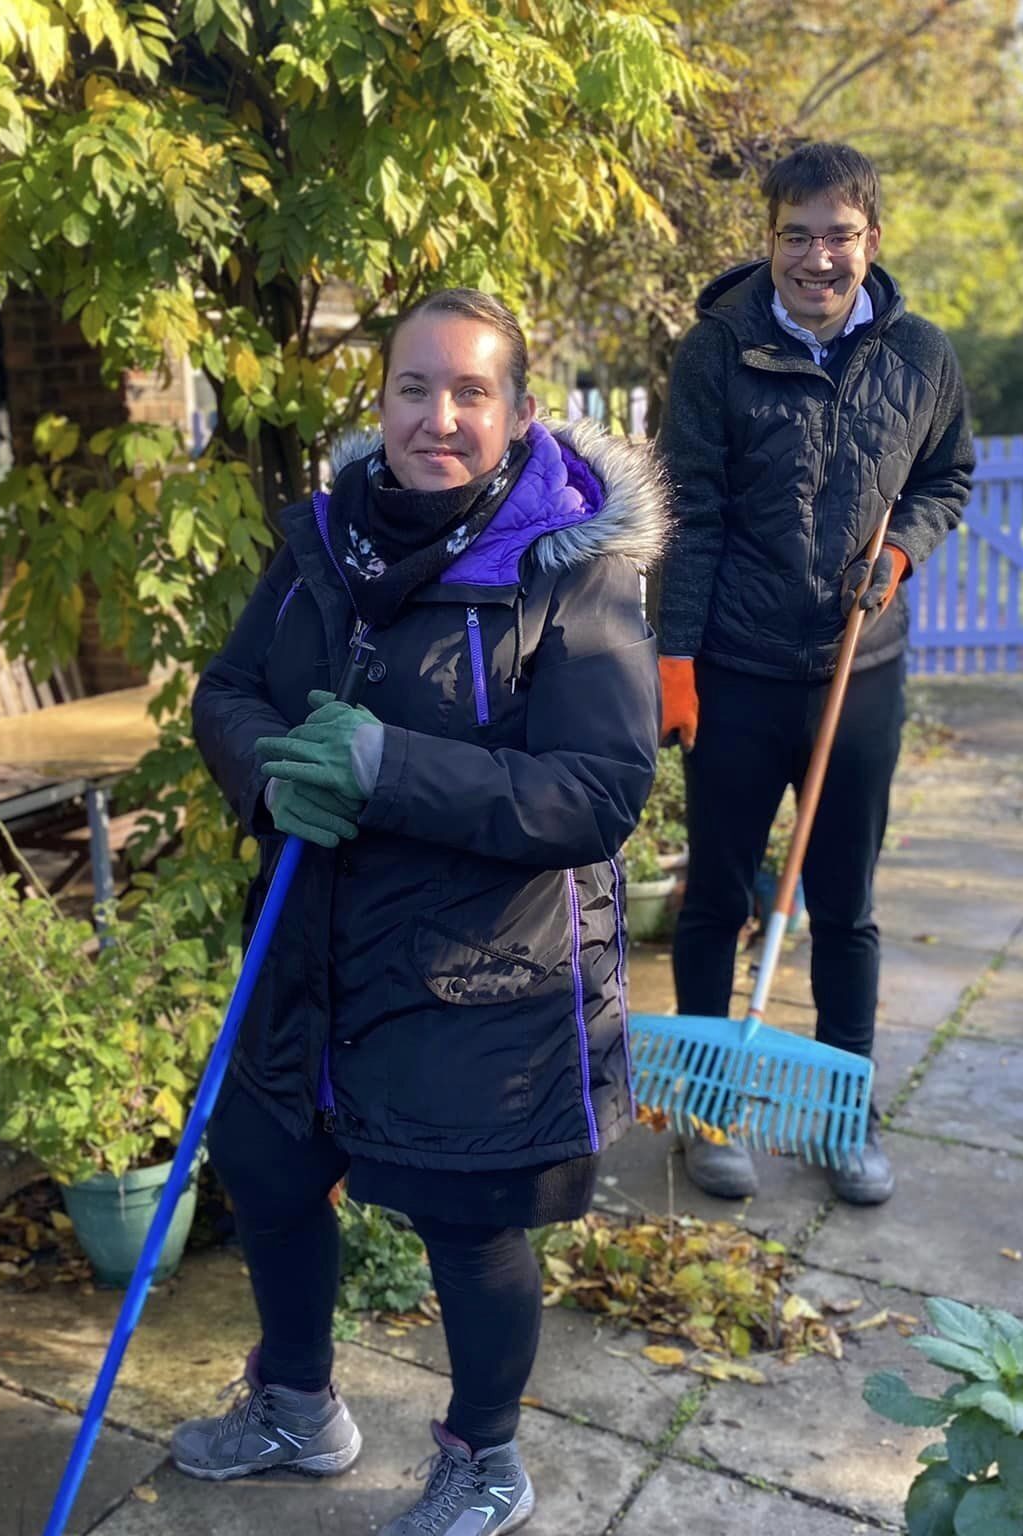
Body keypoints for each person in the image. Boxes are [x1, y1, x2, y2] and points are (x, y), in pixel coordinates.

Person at [180, 288, 667, 1534]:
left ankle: (485, 1460)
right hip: (313, 949)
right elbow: (229, 689)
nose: (437, 417)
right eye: (413, 388)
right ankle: (298, 1406)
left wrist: (391, 768)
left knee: (468, 1221)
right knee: (267, 1168)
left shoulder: (573, 572)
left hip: (479, 976)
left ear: (514, 412)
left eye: (469, 392)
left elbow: (600, 790)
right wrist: (272, 771)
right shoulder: (324, 543)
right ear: (380, 399)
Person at [656, 141, 975, 1206]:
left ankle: (847, 1115)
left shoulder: (922, 357)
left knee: (846, 903)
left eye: (838, 236)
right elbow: (690, 515)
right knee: (713, 900)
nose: (818, 258)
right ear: (769, 241)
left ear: (869, 239)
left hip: (859, 669)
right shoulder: (716, 353)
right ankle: (710, 1111)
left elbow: (946, 476)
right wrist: (675, 659)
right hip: (740, 672)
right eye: (797, 236)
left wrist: (900, 550)